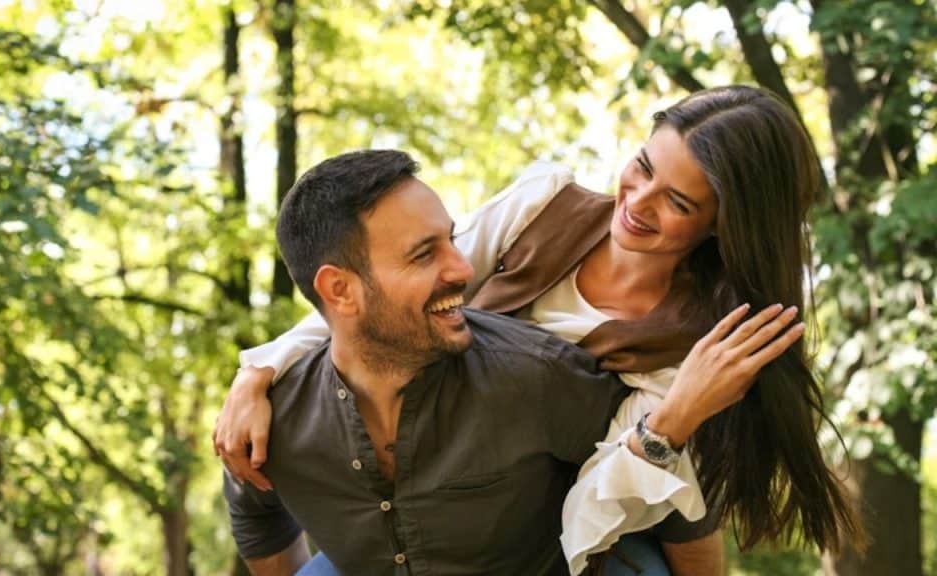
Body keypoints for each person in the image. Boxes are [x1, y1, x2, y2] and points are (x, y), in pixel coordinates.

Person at [216, 86, 864, 573]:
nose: (636, 203)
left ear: (724, 224)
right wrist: (260, 370)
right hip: (447, 488)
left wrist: (678, 416)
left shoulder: (698, 343)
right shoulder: (545, 205)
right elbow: (378, 294)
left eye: (678, 202)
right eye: (643, 167)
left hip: (584, 517)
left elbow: (595, 515)